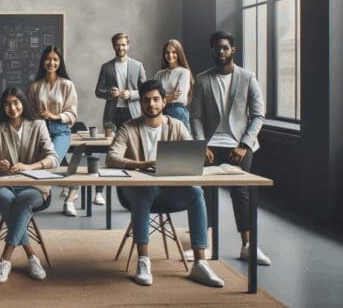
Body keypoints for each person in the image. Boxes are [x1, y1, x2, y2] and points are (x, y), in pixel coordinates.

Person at [106, 80, 224, 288]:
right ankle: (143, 261)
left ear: (163, 102)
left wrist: (200, 155)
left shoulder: (176, 126)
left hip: (169, 191)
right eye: (146, 100)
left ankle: (199, 262)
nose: (151, 104)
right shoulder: (128, 127)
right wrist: (141, 164)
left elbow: (191, 149)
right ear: (141, 103)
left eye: (156, 100)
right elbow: (111, 157)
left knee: (196, 193)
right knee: (145, 190)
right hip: (135, 193)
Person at [190, 30, 270, 266]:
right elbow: (195, 116)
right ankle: (204, 243)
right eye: (216, 48)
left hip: (240, 145)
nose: (220, 51)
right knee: (204, 192)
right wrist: (201, 144)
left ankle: (248, 245)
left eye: (225, 47)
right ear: (211, 51)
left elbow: (258, 115)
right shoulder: (203, 79)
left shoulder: (248, 77)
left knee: (241, 191)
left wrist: (244, 144)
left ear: (232, 50)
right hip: (210, 146)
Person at [0, 87, 59, 283]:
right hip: (5, 184)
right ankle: (32, 255)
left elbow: (53, 158)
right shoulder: (0, 128)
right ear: (2, 107)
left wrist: (30, 166)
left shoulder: (38, 125)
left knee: (23, 202)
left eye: (16, 102)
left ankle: (5, 259)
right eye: (7, 104)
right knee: (6, 198)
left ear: (23, 103)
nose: (12, 107)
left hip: (34, 185)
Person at [26, 45, 80, 216]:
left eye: (55, 59)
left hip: (60, 130)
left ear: (60, 62)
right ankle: (73, 188)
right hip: (40, 130)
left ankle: (63, 198)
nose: (51, 62)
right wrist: (38, 116)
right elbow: (28, 112)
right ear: (43, 61)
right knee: (60, 164)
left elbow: (72, 113)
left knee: (51, 159)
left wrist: (56, 116)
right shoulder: (35, 86)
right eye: (48, 59)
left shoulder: (67, 85)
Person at [94, 32, 146, 206]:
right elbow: (98, 91)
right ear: (113, 46)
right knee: (109, 151)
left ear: (128, 45)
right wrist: (109, 93)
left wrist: (130, 94)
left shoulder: (137, 65)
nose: (121, 48)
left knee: (133, 152)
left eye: (123, 45)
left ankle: (132, 192)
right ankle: (99, 191)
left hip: (133, 114)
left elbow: (145, 91)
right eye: (118, 45)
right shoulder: (106, 67)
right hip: (112, 114)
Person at [153, 39, 193, 132]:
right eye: (167, 52)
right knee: (163, 144)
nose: (170, 55)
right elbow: (153, 96)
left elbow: (180, 97)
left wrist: (161, 98)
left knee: (180, 145)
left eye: (174, 52)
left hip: (177, 112)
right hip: (160, 113)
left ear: (179, 53)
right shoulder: (159, 74)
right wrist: (171, 96)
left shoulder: (184, 72)